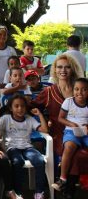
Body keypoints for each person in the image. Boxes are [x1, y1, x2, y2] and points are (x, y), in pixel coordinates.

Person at [32, 54, 87, 198]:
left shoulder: (81, 89)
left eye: (67, 67)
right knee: (75, 154)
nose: (63, 70)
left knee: (79, 154)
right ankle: (69, 191)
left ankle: (66, 187)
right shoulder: (49, 92)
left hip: (82, 133)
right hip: (58, 135)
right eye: (60, 67)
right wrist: (42, 118)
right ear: (55, 70)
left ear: (73, 69)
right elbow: (31, 107)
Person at [0, 94, 49, 199]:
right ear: (10, 108)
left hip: (27, 147)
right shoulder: (5, 118)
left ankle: (39, 192)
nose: (20, 109)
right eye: (16, 106)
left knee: (40, 160)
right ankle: (18, 192)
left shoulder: (29, 119)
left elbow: (45, 130)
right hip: (12, 148)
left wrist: (39, 114)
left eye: (22, 106)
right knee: (18, 162)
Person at [52, 78, 88, 192]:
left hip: (85, 132)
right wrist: (71, 124)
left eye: (84, 90)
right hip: (71, 131)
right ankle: (62, 179)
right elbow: (60, 118)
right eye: (77, 89)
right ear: (73, 90)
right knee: (69, 147)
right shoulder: (69, 101)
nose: (80, 92)